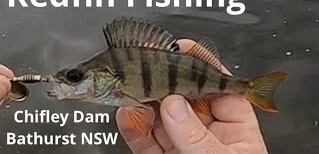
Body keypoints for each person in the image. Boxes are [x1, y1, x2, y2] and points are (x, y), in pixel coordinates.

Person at [0, 39, 268, 154]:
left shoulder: (118, 90)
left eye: (76, 77)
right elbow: (139, 113)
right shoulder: (117, 88)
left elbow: (140, 113)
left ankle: (247, 88)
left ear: (107, 78)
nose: (69, 84)